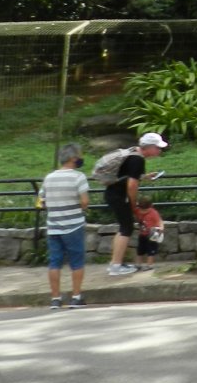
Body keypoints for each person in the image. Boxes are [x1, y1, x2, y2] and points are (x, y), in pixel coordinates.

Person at [104, 132, 169, 276]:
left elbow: (128, 176)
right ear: (149, 147)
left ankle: (115, 262)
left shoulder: (133, 154)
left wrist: (145, 177)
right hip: (120, 197)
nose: (159, 150)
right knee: (126, 229)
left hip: (114, 195)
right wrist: (134, 204)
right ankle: (116, 266)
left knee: (124, 228)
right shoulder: (137, 160)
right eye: (157, 147)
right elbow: (132, 185)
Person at [39, 143, 89, 309]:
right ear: (73, 158)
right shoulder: (78, 177)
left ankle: (55, 299)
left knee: (54, 262)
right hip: (73, 225)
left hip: (53, 225)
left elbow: (41, 202)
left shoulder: (49, 177)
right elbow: (84, 202)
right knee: (77, 262)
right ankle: (75, 297)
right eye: (80, 156)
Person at [134, 199, 164, 271]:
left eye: (145, 210)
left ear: (151, 207)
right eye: (142, 210)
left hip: (152, 234)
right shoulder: (137, 211)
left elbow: (159, 221)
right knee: (140, 249)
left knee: (151, 250)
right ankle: (138, 264)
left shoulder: (154, 213)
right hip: (142, 234)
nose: (143, 212)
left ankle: (149, 264)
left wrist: (161, 228)